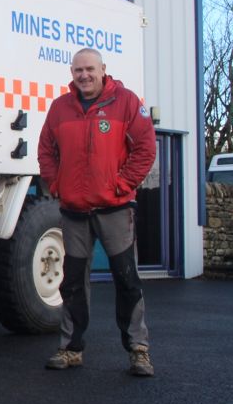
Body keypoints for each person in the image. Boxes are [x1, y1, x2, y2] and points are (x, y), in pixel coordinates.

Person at [38, 48, 157, 376]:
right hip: (74, 210)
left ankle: (138, 349)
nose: (84, 75)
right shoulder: (60, 108)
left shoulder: (128, 102)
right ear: (72, 72)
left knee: (127, 279)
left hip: (115, 209)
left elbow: (146, 148)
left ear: (103, 69)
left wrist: (122, 184)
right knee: (72, 282)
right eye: (78, 70)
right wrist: (56, 183)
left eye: (90, 69)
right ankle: (70, 348)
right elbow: (46, 149)